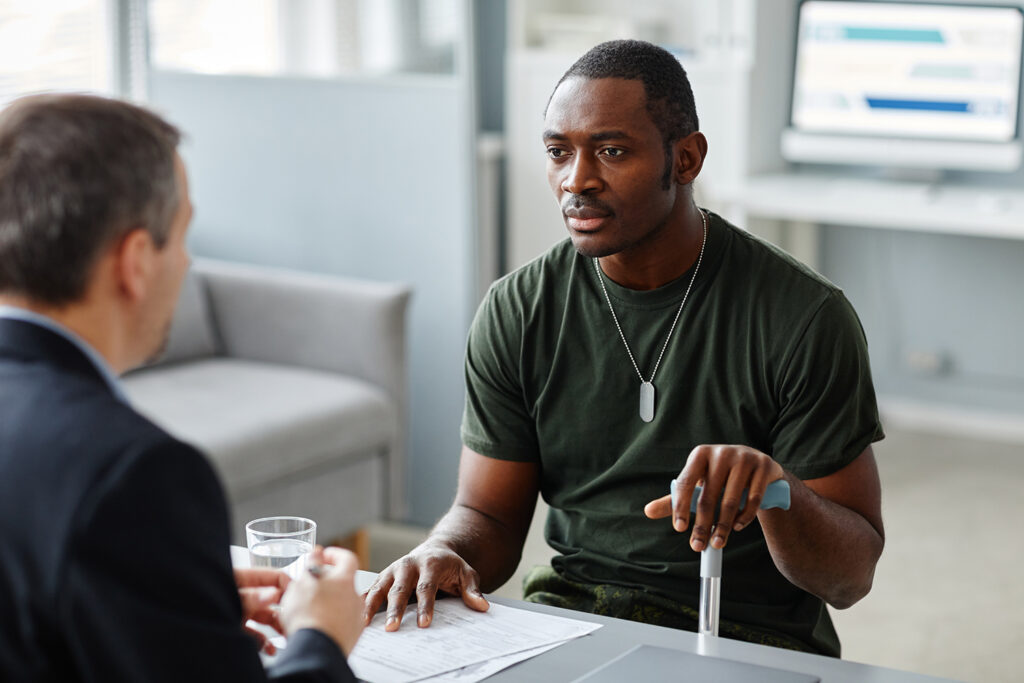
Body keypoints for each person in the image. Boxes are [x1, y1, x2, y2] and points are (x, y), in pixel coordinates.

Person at [364, 39, 885, 657]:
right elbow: (489, 517)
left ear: (685, 159)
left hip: (747, 634)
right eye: (559, 152)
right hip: (573, 618)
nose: (575, 180)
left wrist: (776, 490)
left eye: (611, 151)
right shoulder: (518, 310)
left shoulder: (803, 316)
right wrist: (442, 550)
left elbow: (848, 578)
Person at [0, 94, 363, 681]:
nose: (188, 264)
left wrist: (178, 608)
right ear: (136, 260)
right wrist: (321, 635)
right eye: (183, 237)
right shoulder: (134, 474)